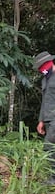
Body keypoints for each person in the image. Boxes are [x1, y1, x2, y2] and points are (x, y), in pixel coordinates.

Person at [34, 51, 55, 185]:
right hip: (47, 117)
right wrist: (41, 120)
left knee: (49, 146)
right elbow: (44, 101)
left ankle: (53, 179)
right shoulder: (45, 79)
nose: (42, 70)